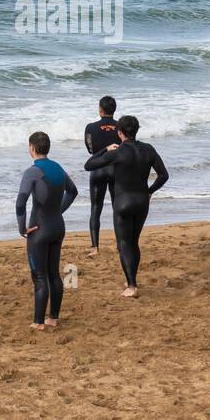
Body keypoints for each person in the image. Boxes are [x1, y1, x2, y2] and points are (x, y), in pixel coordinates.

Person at [84, 115, 168, 298]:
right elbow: (163, 175)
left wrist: (105, 149)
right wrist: (150, 191)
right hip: (142, 201)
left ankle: (131, 285)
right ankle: (131, 279)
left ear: (119, 133)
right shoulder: (148, 149)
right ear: (136, 130)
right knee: (133, 242)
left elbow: (88, 165)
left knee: (123, 244)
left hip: (123, 202)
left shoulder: (117, 152)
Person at [16, 132, 79, 330]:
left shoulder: (32, 172)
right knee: (53, 274)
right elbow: (73, 191)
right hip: (57, 226)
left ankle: (38, 322)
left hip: (39, 229)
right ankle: (53, 318)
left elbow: (20, 203)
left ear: (32, 148)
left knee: (39, 276)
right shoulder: (58, 168)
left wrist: (22, 227)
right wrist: (58, 210)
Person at [83, 95, 119, 258]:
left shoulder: (90, 127)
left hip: (97, 169)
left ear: (100, 110)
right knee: (117, 208)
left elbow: (90, 149)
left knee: (96, 208)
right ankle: (120, 244)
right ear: (114, 110)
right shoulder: (121, 126)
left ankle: (95, 247)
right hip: (115, 170)